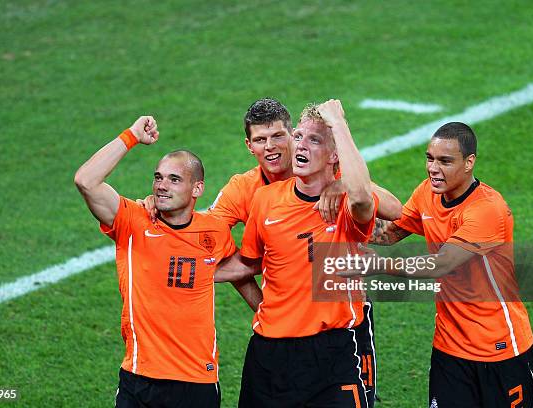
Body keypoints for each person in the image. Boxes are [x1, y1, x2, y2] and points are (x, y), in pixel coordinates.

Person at [140, 98, 401, 404]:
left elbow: (391, 208)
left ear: (291, 135)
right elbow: (207, 241)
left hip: (339, 322)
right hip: (277, 339)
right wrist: (162, 204)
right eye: (260, 140)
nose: (271, 147)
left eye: (278, 136)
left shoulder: (330, 167)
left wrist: (341, 183)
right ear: (249, 146)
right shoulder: (250, 193)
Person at [352, 122, 533, 407]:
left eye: (445, 161)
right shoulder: (427, 193)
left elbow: (442, 264)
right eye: (430, 158)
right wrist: (348, 195)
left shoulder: (487, 209)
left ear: (469, 163)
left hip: (501, 349)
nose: (433, 168)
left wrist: (378, 265)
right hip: (449, 348)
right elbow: (390, 231)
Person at [217, 100, 381, 407]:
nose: (300, 146)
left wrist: (338, 124)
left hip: (331, 353)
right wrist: (191, 272)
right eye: (300, 137)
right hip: (269, 355)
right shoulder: (264, 199)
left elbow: (364, 197)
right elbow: (247, 263)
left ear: (334, 155)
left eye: (314, 139)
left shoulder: (344, 205)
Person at [74, 116, 238, 408]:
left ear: (197, 189)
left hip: (196, 382)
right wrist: (132, 136)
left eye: (174, 179)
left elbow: (243, 266)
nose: (162, 185)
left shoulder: (214, 231)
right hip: (139, 379)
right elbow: (85, 181)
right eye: (158, 177)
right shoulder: (132, 221)